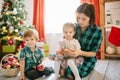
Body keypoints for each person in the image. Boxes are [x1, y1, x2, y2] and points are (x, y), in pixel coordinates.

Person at [62, 3, 103, 79]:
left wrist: (80, 52)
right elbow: (65, 40)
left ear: (90, 18)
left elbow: (94, 53)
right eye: (78, 18)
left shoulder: (97, 31)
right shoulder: (74, 26)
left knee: (73, 74)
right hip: (72, 56)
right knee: (63, 70)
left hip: (87, 58)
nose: (80, 21)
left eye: (84, 19)